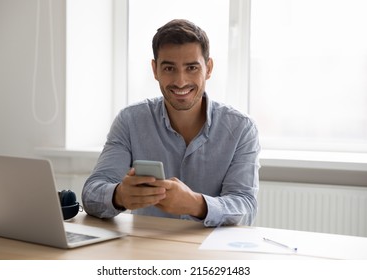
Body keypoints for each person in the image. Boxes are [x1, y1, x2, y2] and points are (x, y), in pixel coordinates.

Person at [82, 19, 260, 227]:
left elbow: (246, 207)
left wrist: (196, 204)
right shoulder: (130, 121)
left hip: (212, 254)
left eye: (192, 67)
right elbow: (91, 193)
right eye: (169, 68)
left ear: (208, 68)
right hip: (149, 250)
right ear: (155, 69)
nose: (181, 81)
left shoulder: (241, 128)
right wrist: (118, 195)